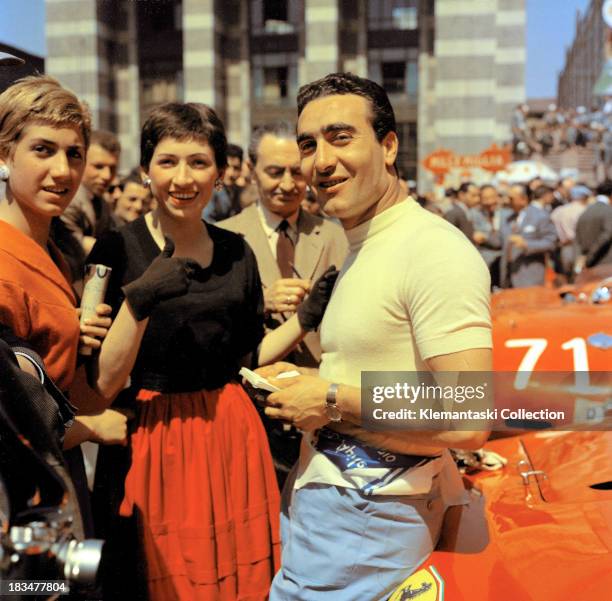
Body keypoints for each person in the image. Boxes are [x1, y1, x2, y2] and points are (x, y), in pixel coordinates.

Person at [256, 72, 492, 600]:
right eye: (308, 144)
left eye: (341, 138)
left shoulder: (432, 250)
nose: (319, 162)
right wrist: (310, 380)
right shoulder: (365, 242)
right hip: (337, 511)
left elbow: (469, 411)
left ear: (389, 146)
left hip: (370, 521)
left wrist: (333, 397)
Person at [87, 102, 335, 601]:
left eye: (199, 162)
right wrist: (138, 303)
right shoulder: (114, 249)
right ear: (145, 169)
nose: (183, 177)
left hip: (229, 436)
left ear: (220, 173)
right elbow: (101, 385)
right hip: (150, 441)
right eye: (168, 161)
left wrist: (306, 319)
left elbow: (248, 357)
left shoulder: (238, 251)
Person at [0, 75, 131, 541]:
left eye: (74, 153)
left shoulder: (53, 250)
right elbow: (12, 418)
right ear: (3, 154)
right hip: (22, 490)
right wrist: (93, 427)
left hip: (58, 473)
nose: (63, 171)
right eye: (43, 150)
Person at [219, 122, 347, 486]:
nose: (288, 185)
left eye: (296, 171)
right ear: (250, 170)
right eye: (275, 172)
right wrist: (260, 301)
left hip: (323, 410)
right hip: (252, 412)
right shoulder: (224, 238)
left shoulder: (336, 235)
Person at [61, 129, 120, 255]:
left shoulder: (102, 203)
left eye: (112, 168)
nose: (107, 175)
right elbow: (72, 246)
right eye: (99, 167)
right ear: (81, 162)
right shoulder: (67, 199)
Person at [499, 183, 557, 288]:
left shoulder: (540, 216)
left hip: (530, 275)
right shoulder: (508, 219)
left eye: (511, 198)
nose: (507, 201)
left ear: (523, 199)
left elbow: (551, 242)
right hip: (509, 276)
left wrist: (527, 244)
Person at [202, 142, 244, 222]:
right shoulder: (211, 191)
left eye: (236, 168)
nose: (231, 173)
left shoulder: (238, 191)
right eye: (227, 167)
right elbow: (207, 221)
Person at [575, 180, 612, 270]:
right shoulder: (608, 211)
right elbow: (607, 235)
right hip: (606, 264)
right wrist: (590, 255)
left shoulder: (586, 211)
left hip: (590, 265)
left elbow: (577, 239)